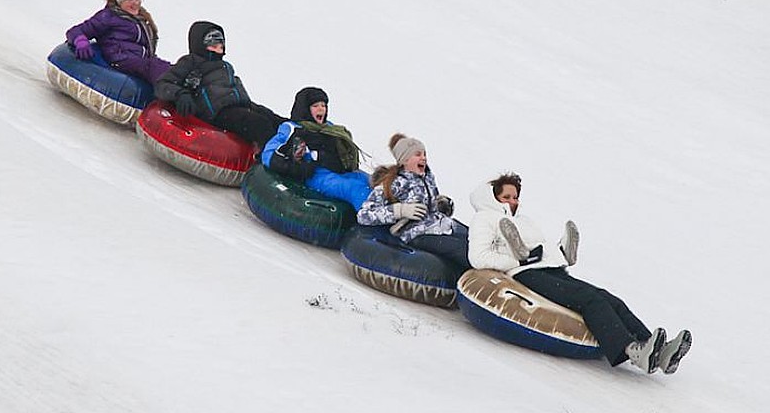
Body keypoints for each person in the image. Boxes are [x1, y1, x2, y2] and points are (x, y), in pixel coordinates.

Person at [467, 172, 691, 375]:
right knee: (589, 301)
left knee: (608, 298)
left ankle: (655, 349)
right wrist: (518, 259)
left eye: (515, 197)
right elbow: (478, 257)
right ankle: (630, 350)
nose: (513, 202)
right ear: (493, 197)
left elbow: (541, 249)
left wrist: (559, 256)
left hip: (549, 268)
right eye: (507, 197)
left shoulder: (524, 221)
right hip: (525, 273)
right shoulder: (484, 218)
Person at [153, 20, 285, 148]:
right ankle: (269, 162)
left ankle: (296, 149)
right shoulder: (191, 62)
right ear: (201, 45)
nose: (218, 50)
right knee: (259, 124)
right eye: (213, 46)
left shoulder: (225, 66)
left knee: (275, 120)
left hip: (239, 105)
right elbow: (163, 83)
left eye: (220, 46)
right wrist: (180, 94)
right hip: (218, 112)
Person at [356, 133, 469, 272]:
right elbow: (364, 215)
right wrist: (400, 210)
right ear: (404, 160)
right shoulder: (395, 183)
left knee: (479, 239)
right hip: (417, 233)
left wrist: (440, 204)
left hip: (440, 224)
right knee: (466, 251)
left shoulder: (427, 177)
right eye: (418, 154)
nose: (424, 158)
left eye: (424, 154)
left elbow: (429, 204)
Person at [261, 87, 372, 209]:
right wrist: (295, 168)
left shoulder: (330, 129)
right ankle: (370, 216)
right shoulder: (292, 128)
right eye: (315, 106)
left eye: (323, 106)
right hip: (316, 176)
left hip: (337, 170)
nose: (321, 109)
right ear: (304, 109)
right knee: (354, 188)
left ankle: (390, 210)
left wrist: (326, 157)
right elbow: (268, 154)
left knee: (370, 181)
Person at [65, 0, 172, 83]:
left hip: (141, 62)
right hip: (121, 60)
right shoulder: (108, 16)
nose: (136, 3)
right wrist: (80, 40)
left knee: (174, 69)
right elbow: (75, 31)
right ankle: (168, 97)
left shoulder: (141, 19)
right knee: (154, 66)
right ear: (119, 0)